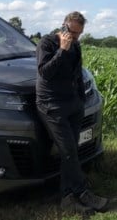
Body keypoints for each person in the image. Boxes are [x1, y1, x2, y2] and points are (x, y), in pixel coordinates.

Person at [36, 11, 109, 215]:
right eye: (73, 33)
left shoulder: (76, 45)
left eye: (79, 34)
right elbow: (45, 73)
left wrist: (80, 101)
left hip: (73, 105)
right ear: (64, 26)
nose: (76, 38)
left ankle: (68, 198)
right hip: (52, 105)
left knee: (72, 152)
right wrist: (62, 50)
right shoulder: (47, 43)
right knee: (68, 151)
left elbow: (77, 73)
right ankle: (82, 192)